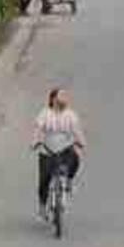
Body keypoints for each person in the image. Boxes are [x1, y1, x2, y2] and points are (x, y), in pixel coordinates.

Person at [32, 88, 86, 219]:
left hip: (65, 149)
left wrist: (81, 141)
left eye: (65, 97)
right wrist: (35, 141)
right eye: (61, 96)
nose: (64, 99)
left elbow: (76, 130)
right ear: (53, 99)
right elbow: (38, 129)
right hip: (48, 150)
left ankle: (69, 181)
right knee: (44, 180)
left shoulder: (70, 114)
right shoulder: (45, 113)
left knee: (75, 159)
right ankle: (42, 206)